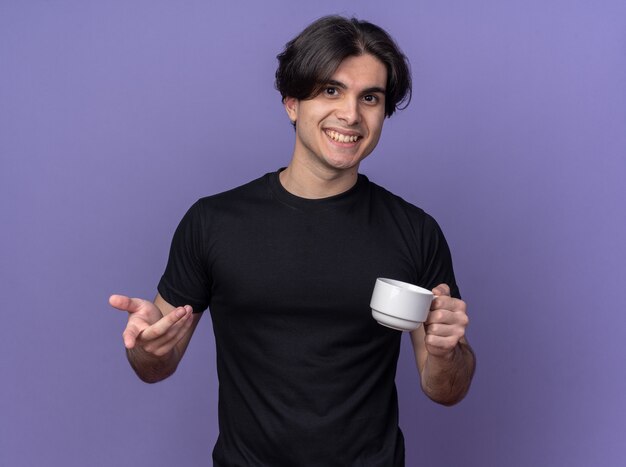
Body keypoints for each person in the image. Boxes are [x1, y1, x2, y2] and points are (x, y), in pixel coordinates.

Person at [110, 15, 475, 466]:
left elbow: (445, 390)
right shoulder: (212, 222)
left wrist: (446, 351)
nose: (351, 114)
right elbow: (155, 366)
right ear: (291, 103)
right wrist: (147, 346)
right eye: (330, 90)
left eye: (371, 98)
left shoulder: (416, 232)